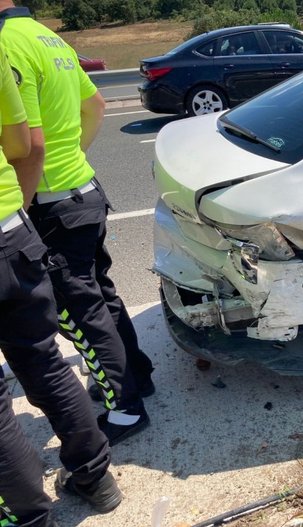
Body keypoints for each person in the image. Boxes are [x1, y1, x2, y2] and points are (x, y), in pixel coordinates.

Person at [0, 2, 154, 446]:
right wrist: (76, 159)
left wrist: (23, 207)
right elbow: (97, 104)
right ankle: (136, 376)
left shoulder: (7, 43)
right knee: (98, 295)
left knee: (77, 313)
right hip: (82, 191)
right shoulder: (47, 35)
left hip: (51, 204)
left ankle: (124, 408)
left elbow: (30, 145)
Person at [0, 43, 122, 526]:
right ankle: (95, 476)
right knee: (44, 360)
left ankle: (28, 517)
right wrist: (21, 212)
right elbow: (27, 145)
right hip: (12, 227)